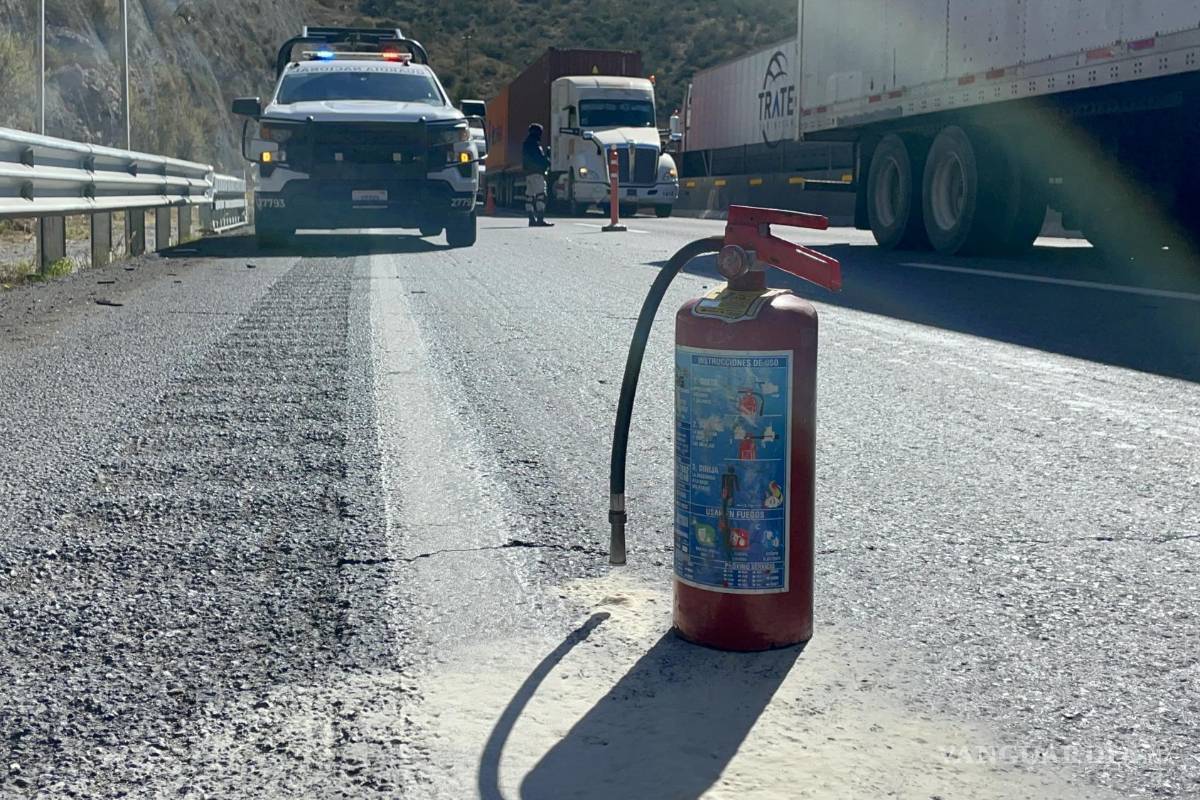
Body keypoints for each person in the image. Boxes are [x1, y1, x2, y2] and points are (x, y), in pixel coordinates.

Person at [522, 124, 554, 227]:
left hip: (528, 174)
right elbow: (539, 159)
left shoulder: (526, 144)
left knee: (529, 196)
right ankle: (540, 219)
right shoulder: (535, 144)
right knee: (541, 195)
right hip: (537, 173)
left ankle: (531, 219)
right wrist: (547, 160)